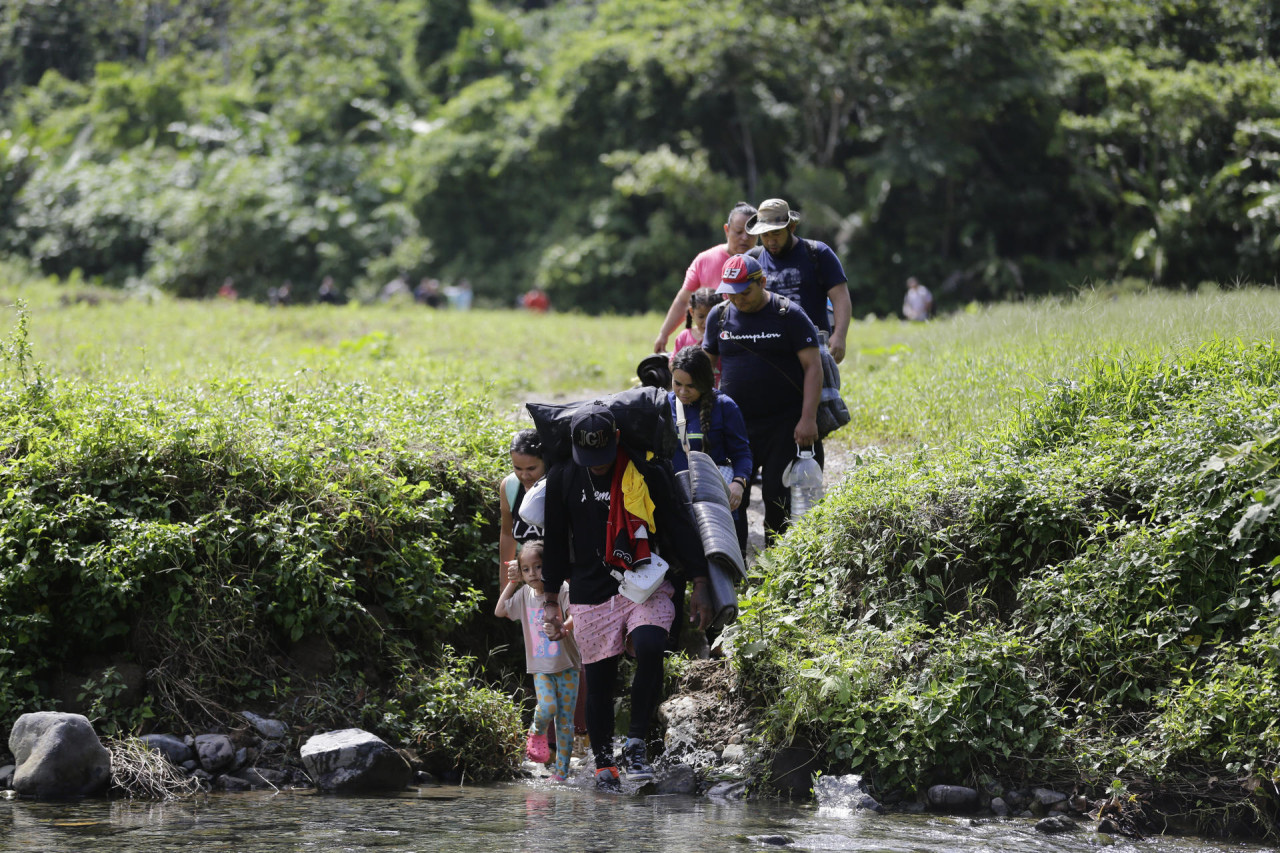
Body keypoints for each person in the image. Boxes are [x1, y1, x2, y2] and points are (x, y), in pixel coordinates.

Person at [541, 403, 714, 790]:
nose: (597, 465)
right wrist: (551, 598)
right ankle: (605, 762)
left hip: (643, 579)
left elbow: (676, 523)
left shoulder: (646, 472)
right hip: (589, 589)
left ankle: (636, 742)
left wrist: (701, 580)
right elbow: (554, 541)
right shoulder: (563, 476)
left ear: (616, 440)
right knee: (599, 679)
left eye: (603, 457)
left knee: (651, 645)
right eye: (589, 458)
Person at [703, 254, 823, 545]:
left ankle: (777, 567)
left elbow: (813, 367)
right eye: (731, 293)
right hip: (734, 426)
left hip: (784, 424)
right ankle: (736, 570)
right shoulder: (718, 316)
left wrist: (808, 419)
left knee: (776, 495)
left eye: (745, 292)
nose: (738, 300)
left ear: (763, 282)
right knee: (731, 497)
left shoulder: (788, 314)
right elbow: (704, 369)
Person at [495, 540, 581, 782]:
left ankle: (561, 773)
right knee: (547, 707)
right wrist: (512, 582)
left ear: (550, 566)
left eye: (539, 567)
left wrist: (563, 627)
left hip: (568, 666)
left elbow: (576, 612)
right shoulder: (524, 594)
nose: (533, 574)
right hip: (540, 668)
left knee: (565, 721)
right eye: (526, 569)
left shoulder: (562, 589)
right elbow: (500, 611)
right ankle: (535, 731)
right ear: (520, 572)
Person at [745, 198, 853, 363]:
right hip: (767, 351)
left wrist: (840, 335)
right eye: (765, 235)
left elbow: (840, 297)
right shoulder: (752, 260)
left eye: (776, 233)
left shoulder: (818, 253)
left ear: (792, 227)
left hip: (814, 347)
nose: (771, 241)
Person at [668, 346, 752, 552]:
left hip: (717, 501)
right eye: (677, 384)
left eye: (691, 386)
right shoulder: (663, 404)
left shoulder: (725, 407)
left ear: (705, 382)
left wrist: (738, 485)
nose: (682, 392)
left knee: (724, 565)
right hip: (679, 502)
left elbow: (742, 454)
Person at [652, 202, 758, 353]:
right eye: (738, 232)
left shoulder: (764, 262)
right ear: (727, 230)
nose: (745, 238)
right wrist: (663, 334)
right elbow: (683, 301)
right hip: (711, 345)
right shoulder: (705, 260)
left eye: (751, 233)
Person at [498, 429, 546, 591]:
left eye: (532, 469)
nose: (524, 475)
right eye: (517, 468)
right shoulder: (509, 486)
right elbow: (507, 535)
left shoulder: (559, 484)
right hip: (531, 585)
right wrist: (505, 586)